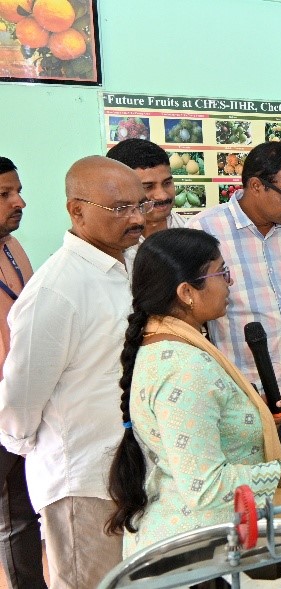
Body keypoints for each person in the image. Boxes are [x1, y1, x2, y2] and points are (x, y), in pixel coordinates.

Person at [107, 229, 281, 554]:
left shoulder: (170, 343)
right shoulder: (185, 368)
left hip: (207, 537)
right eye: (222, 273)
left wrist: (254, 420)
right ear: (187, 292)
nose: (230, 283)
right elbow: (206, 488)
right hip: (201, 549)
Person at [0, 156, 150, 589]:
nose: (137, 217)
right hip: (83, 480)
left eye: (138, 205)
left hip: (130, 469)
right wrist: (48, 452)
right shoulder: (57, 291)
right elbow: (20, 401)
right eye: (120, 208)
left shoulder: (128, 265)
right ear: (76, 210)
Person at [187, 142, 281, 518]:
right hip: (244, 403)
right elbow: (192, 319)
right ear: (255, 187)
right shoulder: (205, 232)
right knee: (250, 504)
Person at [0, 157, 45, 589]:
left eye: (17, 190)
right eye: (4, 195)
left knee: (20, 518)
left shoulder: (13, 248)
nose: (20, 202)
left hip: (19, 405)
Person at [106, 138, 187, 237]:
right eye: (148, 187)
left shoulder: (193, 231)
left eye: (167, 183)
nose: (162, 196)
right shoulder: (107, 242)